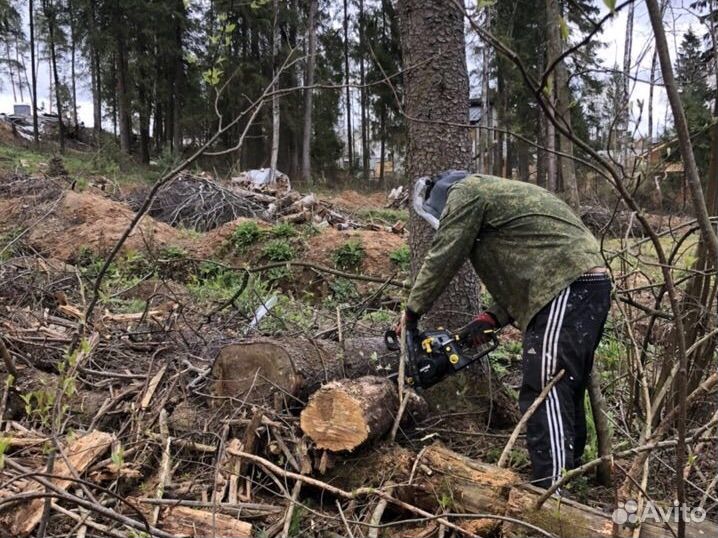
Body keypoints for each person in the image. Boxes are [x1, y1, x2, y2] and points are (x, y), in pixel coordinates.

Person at [400, 170, 611, 490]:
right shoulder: (500, 195)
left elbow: (444, 254)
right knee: (565, 383)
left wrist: (412, 313)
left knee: (545, 386)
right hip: (585, 283)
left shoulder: (466, 192)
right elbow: (531, 264)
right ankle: (571, 469)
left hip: (566, 284)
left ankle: (551, 494)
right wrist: (492, 318)